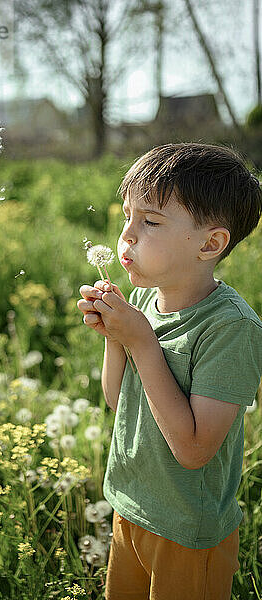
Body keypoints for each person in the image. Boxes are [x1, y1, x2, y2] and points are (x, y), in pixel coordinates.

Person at [77, 142, 262, 600]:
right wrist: (116, 337)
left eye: (150, 222)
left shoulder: (230, 327)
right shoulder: (143, 300)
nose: (128, 236)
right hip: (130, 506)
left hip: (187, 530)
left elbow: (194, 449)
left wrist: (140, 340)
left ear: (210, 243)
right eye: (127, 218)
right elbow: (119, 401)